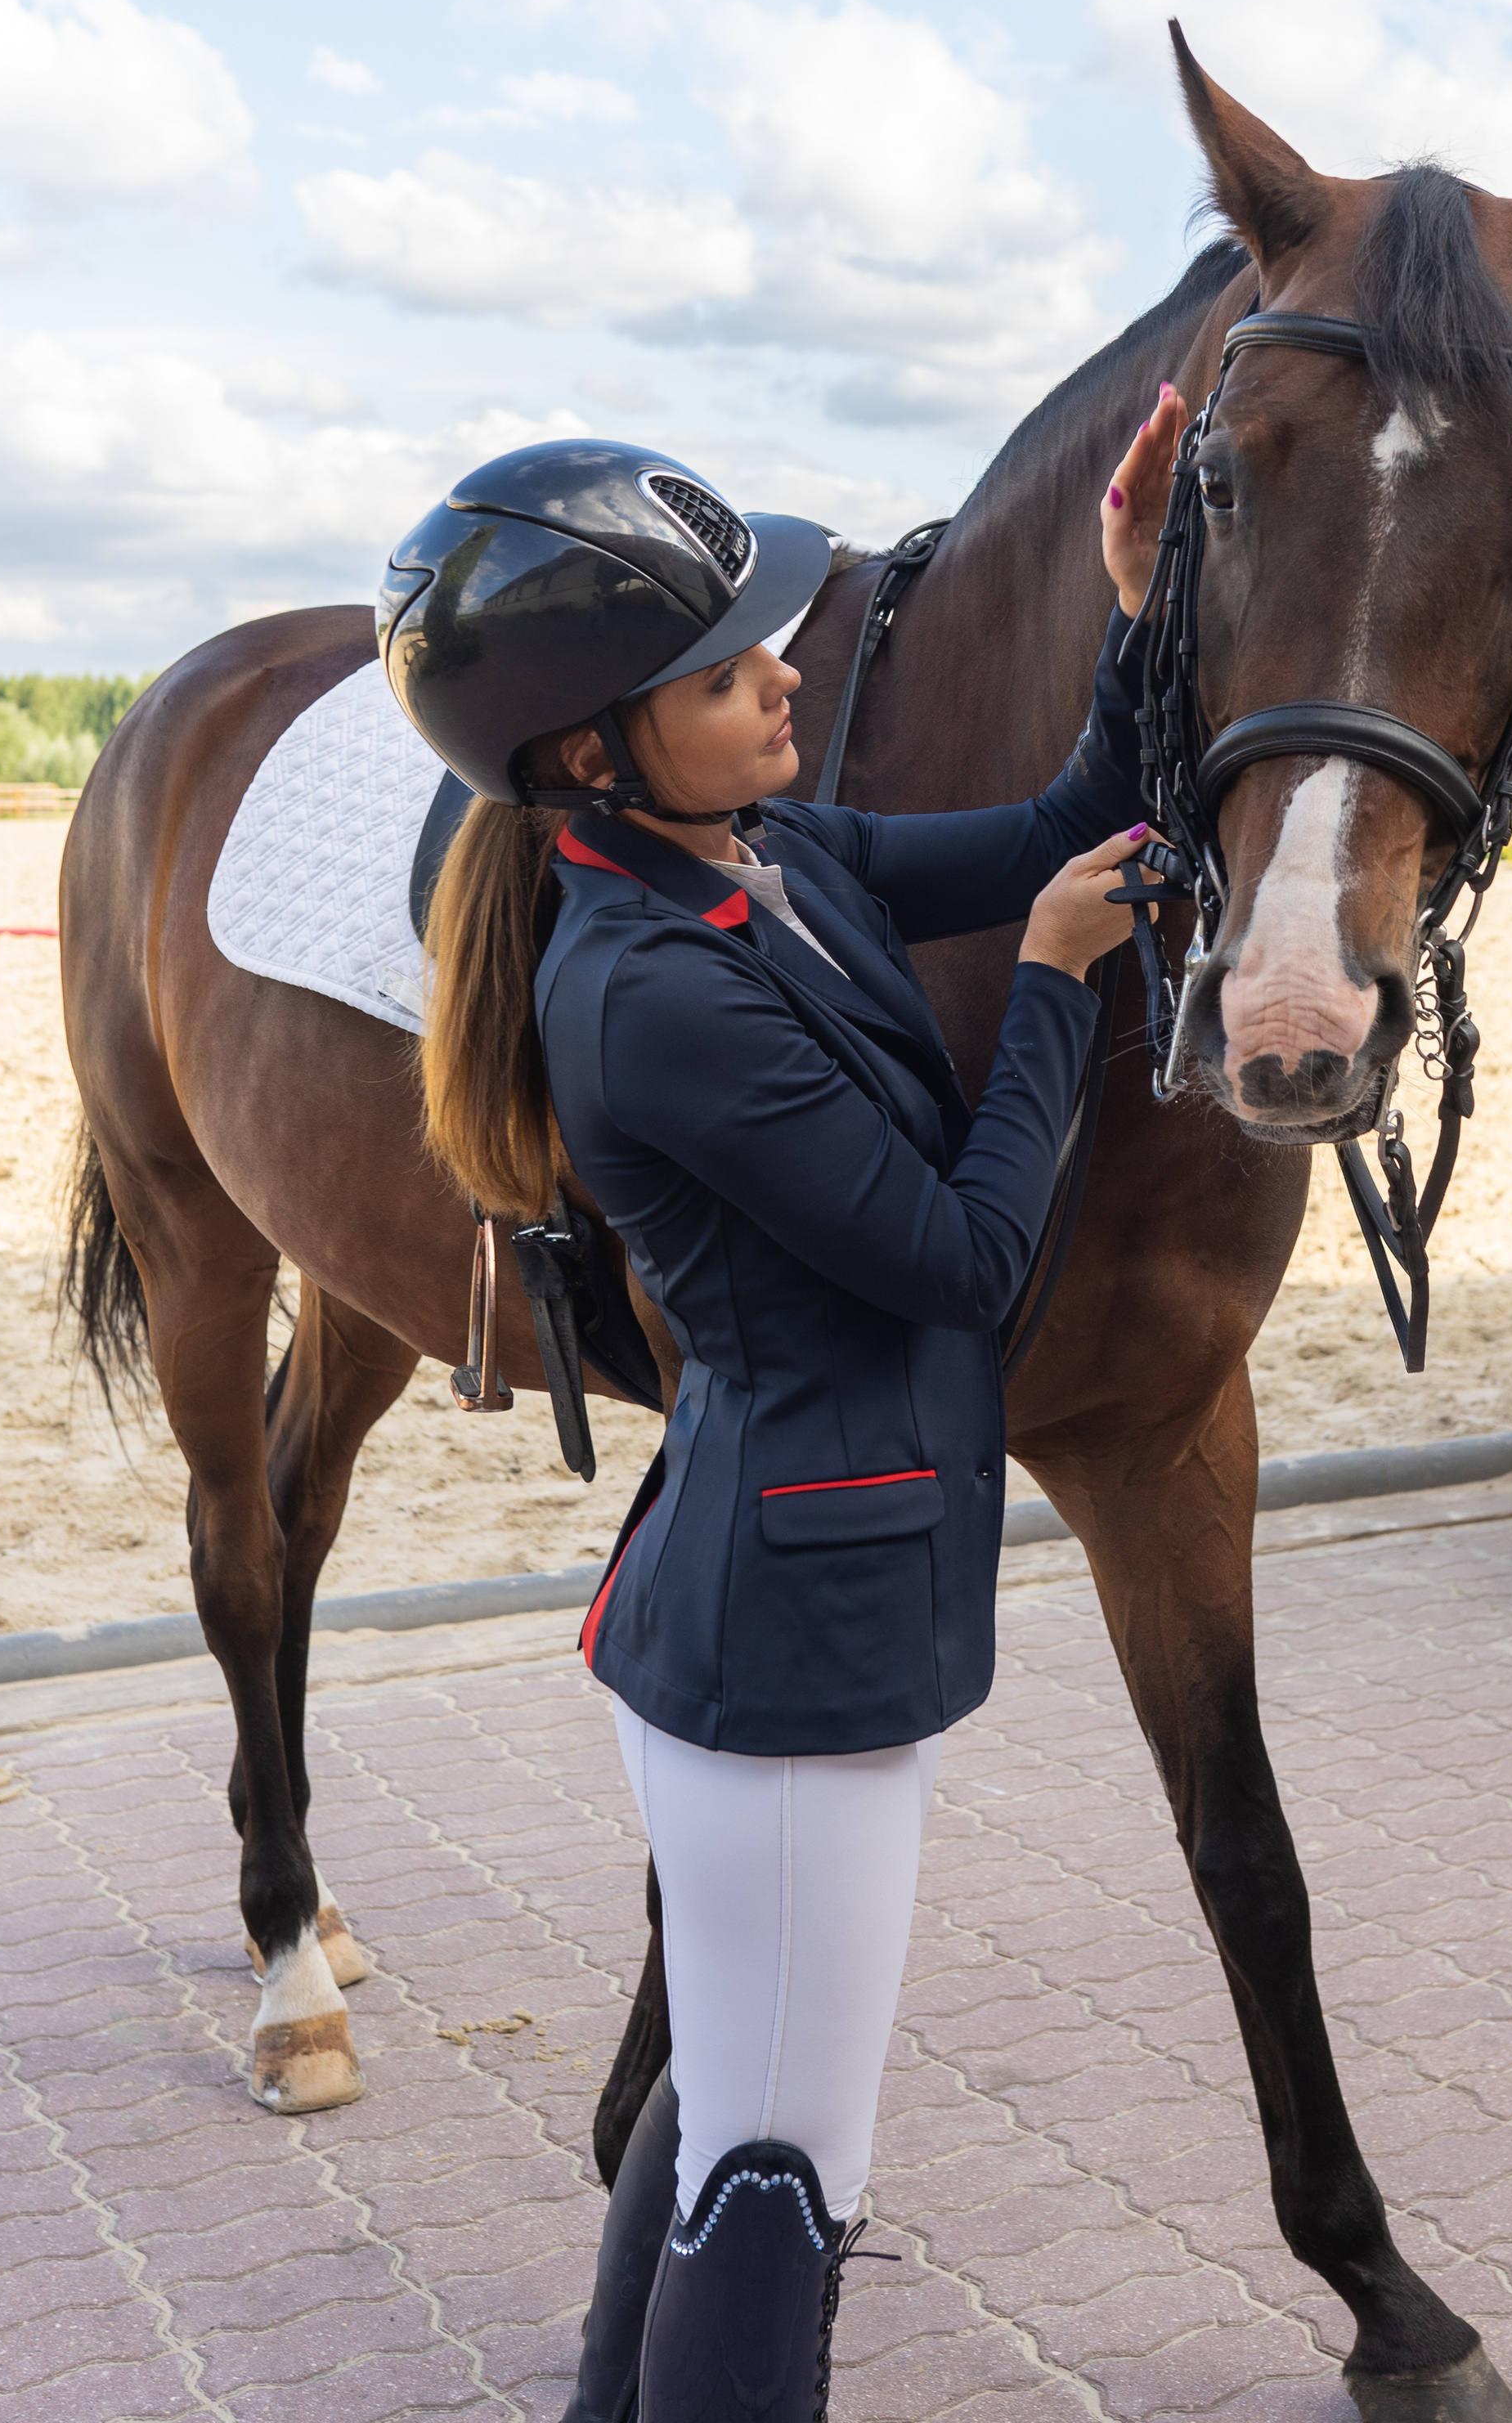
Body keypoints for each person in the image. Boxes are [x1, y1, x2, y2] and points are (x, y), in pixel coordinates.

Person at [378, 397, 1184, 2423]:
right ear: (590, 748)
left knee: (735, 2087)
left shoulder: (766, 856)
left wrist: (1136, 602)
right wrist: (1062, 993)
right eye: (731, 672)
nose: (789, 676)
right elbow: (960, 1257)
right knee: (782, 2156)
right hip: (790, 1631)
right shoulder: (647, 986)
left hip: (793, 1595)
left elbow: (1049, 825)